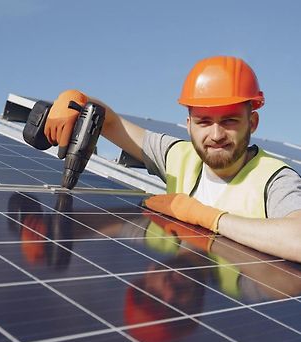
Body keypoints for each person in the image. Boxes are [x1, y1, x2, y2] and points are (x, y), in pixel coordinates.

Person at [43, 56, 301, 263]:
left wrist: (209, 218)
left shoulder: (274, 178)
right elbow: (110, 122)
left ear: (252, 123)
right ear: (189, 125)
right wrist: (78, 99)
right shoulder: (178, 156)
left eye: (230, 120)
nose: (216, 134)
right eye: (204, 122)